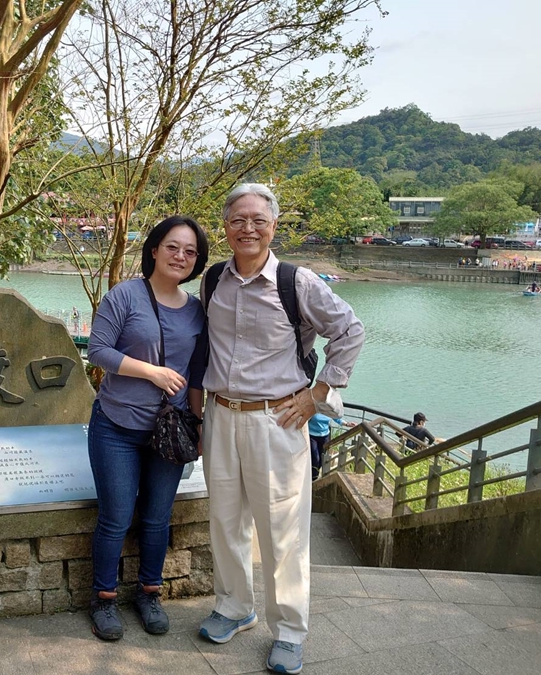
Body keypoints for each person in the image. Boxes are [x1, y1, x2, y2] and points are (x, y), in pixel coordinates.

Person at [197, 183, 364, 675]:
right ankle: (234, 606)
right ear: (225, 227)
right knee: (226, 521)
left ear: (273, 225)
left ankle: (289, 630)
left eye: (257, 220)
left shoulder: (297, 282)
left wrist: (317, 394)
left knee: (283, 530)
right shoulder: (213, 279)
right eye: (237, 219)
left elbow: (350, 330)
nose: (247, 228)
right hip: (221, 414)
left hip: (278, 419)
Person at [86, 215, 209, 641]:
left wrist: (199, 424)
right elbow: (97, 351)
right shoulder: (125, 295)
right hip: (116, 426)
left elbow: (197, 374)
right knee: (116, 517)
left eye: (190, 251)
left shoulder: (197, 310)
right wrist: (151, 372)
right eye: (172, 247)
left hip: (170, 431)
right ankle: (104, 598)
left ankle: (149, 593)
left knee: (157, 518)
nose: (180, 256)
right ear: (154, 249)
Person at [308, 413, 353, 480]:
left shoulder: (328, 409)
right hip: (312, 435)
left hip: (325, 436)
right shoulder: (315, 409)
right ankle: (313, 478)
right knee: (315, 458)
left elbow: (336, 418)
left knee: (322, 459)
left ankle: (314, 476)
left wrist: (347, 424)